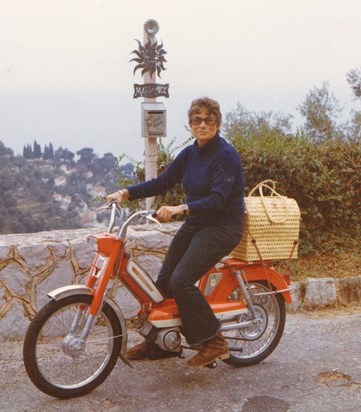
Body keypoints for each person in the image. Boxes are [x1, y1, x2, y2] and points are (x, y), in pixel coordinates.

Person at [106, 97, 245, 368]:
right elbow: (162, 182)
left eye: (209, 119)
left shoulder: (226, 156)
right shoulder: (191, 153)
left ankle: (214, 341)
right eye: (197, 120)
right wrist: (125, 193)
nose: (203, 124)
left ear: (217, 123)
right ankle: (158, 344)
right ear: (190, 124)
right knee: (164, 283)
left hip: (222, 227)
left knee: (181, 281)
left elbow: (217, 201)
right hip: (197, 224)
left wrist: (181, 208)